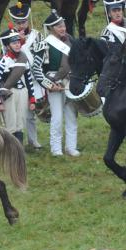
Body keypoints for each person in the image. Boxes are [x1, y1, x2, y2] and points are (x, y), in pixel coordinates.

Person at [32, 10, 80, 157]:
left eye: (63, 25)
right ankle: (56, 149)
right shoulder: (44, 44)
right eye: (59, 26)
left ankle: (71, 147)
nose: (63, 28)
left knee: (71, 115)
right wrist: (49, 85)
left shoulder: (70, 40)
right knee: (57, 117)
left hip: (70, 82)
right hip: (54, 83)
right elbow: (36, 69)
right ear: (51, 28)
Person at [0, 23, 35, 144]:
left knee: (20, 123)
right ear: (7, 46)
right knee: (10, 124)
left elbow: (28, 79)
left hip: (23, 92)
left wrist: (32, 99)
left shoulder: (22, 59)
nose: (17, 45)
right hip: (9, 94)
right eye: (14, 43)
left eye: (18, 42)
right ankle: (10, 150)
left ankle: (19, 149)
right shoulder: (2, 61)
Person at [9, 1, 43, 149]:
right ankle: (17, 142)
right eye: (18, 22)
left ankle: (33, 139)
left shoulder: (36, 35)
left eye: (23, 21)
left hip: (35, 77)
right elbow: (7, 57)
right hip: (19, 79)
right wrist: (20, 42)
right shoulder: (8, 38)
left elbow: (42, 56)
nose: (21, 25)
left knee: (31, 111)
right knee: (20, 112)